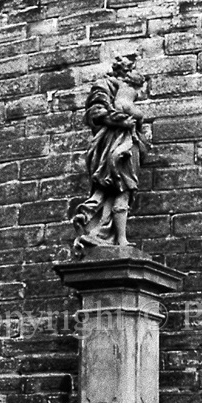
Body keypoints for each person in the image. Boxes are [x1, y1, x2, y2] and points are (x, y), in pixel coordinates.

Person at [72, 53, 150, 257]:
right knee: (112, 184)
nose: (129, 71)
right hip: (110, 142)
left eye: (131, 68)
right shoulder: (104, 85)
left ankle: (108, 233)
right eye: (127, 68)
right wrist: (120, 121)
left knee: (122, 188)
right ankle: (96, 226)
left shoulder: (129, 87)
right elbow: (94, 112)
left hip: (128, 140)